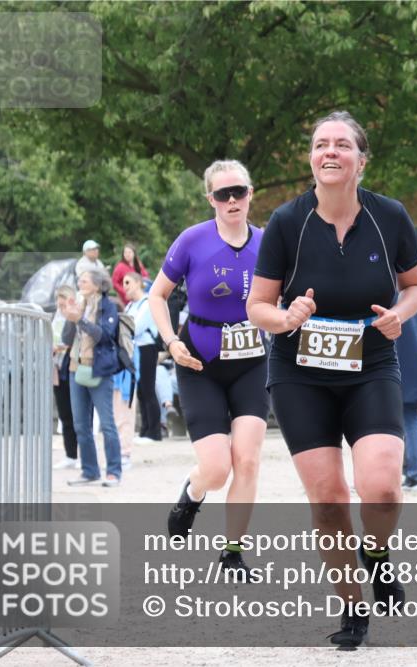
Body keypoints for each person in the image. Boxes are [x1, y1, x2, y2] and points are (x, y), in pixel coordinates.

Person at [247, 111, 417, 648]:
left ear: (360, 160)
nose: (330, 152)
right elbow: (258, 305)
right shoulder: (286, 221)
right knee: (327, 499)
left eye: (342, 145)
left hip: (370, 365)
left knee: (382, 488)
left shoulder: (389, 217)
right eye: (321, 144)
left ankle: (376, 552)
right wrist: (286, 319)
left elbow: (415, 285)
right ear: (311, 158)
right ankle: (352, 609)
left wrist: (401, 313)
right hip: (300, 373)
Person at [148, 159, 268, 574]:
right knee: (217, 468)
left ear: (251, 193)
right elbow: (157, 296)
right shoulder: (192, 241)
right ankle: (192, 493)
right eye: (223, 194)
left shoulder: (269, 243)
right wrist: (172, 341)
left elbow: (286, 297)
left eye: (239, 191)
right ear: (211, 199)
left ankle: (232, 552)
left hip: (252, 359)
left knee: (249, 460)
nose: (232, 200)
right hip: (199, 359)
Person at [59, 269, 122, 487]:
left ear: (97, 285)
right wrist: (70, 318)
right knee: (80, 425)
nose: (80, 283)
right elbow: (66, 339)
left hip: (99, 370)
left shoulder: (107, 306)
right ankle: (89, 470)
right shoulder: (78, 304)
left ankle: (113, 471)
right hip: (76, 369)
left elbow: (105, 336)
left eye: (84, 280)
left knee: (107, 424)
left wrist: (82, 320)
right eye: (79, 280)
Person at [122, 272, 162, 444]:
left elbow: (135, 328)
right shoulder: (130, 306)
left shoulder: (147, 303)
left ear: (138, 283)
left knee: (148, 388)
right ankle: (145, 430)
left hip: (146, 349)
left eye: (128, 282)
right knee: (139, 390)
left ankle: (154, 432)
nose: (125, 287)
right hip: (134, 349)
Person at [396, 308, 417, 491]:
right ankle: (412, 473)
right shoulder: (413, 295)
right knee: (409, 419)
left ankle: (415, 474)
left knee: (409, 420)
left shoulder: (394, 293)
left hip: (400, 364)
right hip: (414, 364)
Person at [52, 285, 79, 470]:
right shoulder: (55, 318)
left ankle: (81, 456)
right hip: (57, 367)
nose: (61, 308)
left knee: (78, 415)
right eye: (59, 305)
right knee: (64, 414)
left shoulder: (76, 316)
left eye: (64, 304)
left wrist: (60, 347)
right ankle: (70, 454)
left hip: (72, 366)